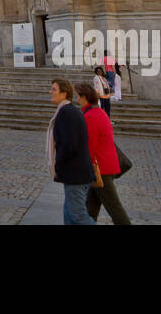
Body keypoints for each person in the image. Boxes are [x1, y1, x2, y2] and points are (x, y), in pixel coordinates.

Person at [78, 83, 131, 224]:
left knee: (114, 206)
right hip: (102, 167)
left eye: (78, 96)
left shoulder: (91, 116)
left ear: (84, 97)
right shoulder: (99, 112)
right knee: (91, 206)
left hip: (101, 169)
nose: (77, 99)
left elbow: (89, 146)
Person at [48, 78, 94, 225]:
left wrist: (58, 164)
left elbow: (69, 145)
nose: (50, 92)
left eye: (54, 89)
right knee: (69, 215)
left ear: (64, 93)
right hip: (76, 173)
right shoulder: (68, 111)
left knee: (77, 216)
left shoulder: (66, 113)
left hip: (76, 174)